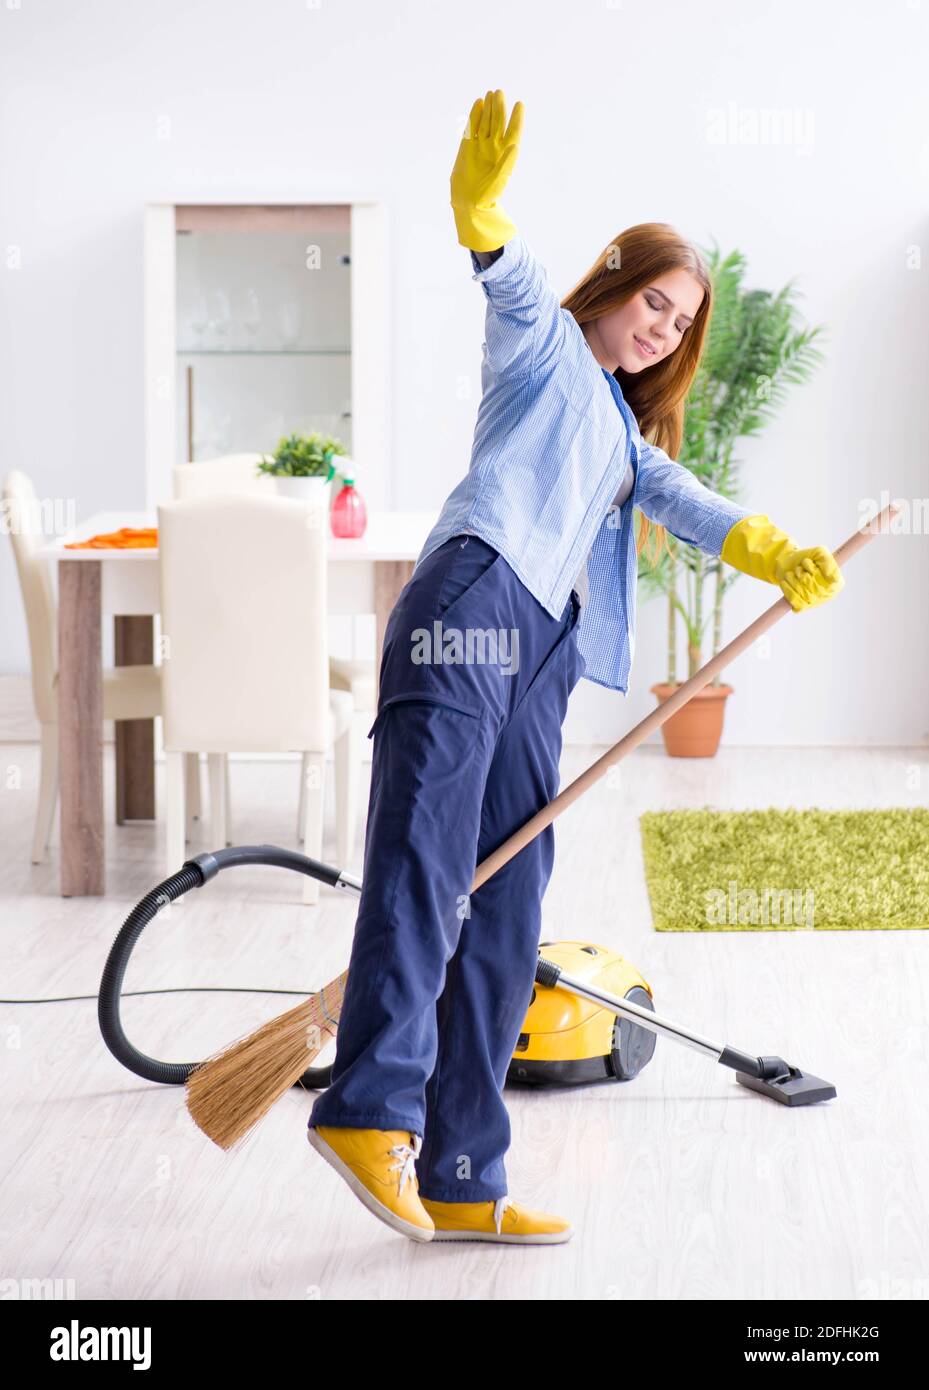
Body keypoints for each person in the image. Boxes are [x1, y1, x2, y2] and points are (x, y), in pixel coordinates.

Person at [306, 89, 844, 1245]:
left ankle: (459, 1166)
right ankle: (368, 1108)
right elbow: (503, 276)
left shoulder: (619, 433)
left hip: (542, 646)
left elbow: (680, 499)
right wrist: (482, 211)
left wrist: (769, 549)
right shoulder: (542, 343)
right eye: (653, 300)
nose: (660, 329)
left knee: (507, 900)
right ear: (611, 283)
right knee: (428, 856)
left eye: (679, 322)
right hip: (473, 598)